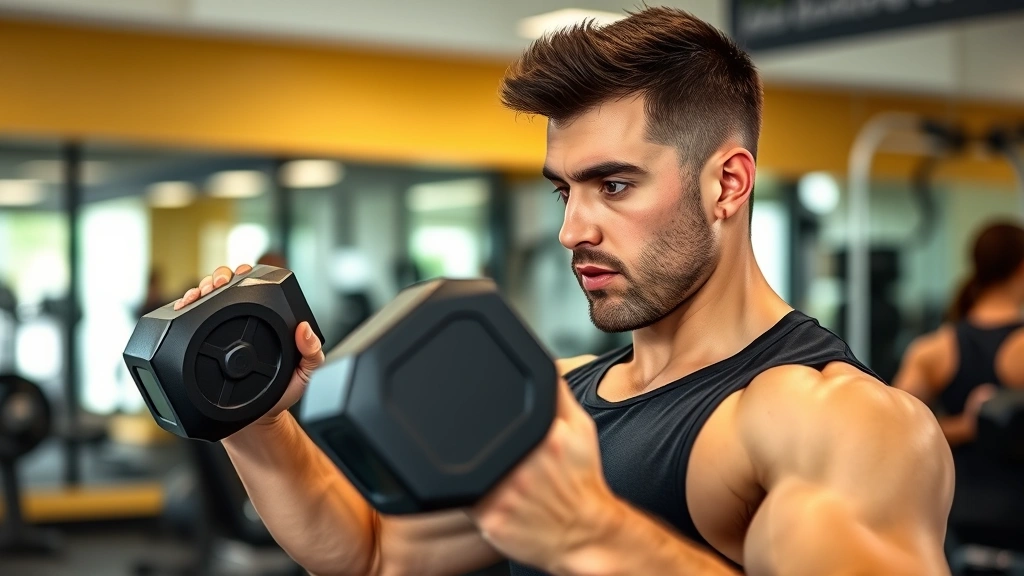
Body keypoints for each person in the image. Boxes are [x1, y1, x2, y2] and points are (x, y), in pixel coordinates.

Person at [174, 7, 952, 575]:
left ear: (729, 183)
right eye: (565, 192)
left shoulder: (828, 418)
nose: (573, 230)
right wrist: (254, 418)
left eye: (614, 184)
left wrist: (595, 534)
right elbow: (373, 555)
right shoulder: (561, 398)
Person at [894, 221, 1024, 550]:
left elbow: (893, 432)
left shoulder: (935, 349)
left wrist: (962, 428)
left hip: (957, 518)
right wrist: (971, 427)